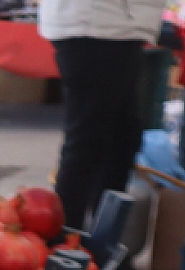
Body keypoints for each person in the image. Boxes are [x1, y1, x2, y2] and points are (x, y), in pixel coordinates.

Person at [40, 0, 168, 233]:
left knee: (122, 140)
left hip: (117, 24)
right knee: (89, 142)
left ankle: (101, 247)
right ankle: (68, 249)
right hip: (96, 25)